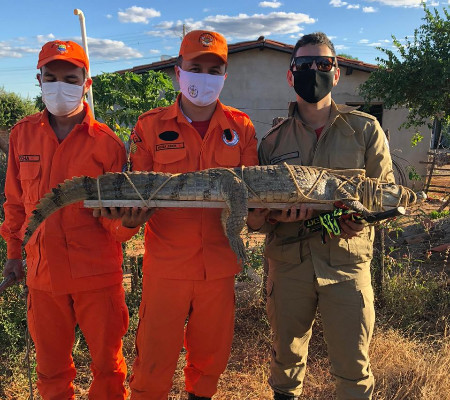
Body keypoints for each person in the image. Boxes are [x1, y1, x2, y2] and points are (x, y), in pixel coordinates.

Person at [247, 32, 394, 400]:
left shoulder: (364, 130)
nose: (313, 70)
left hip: (346, 266)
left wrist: (362, 217)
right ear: (290, 74)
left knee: (353, 366)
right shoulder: (272, 142)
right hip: (288, 267)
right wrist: (275, 216)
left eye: (323, 64)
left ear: (336, 73)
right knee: (285, 361)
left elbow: (384, 195)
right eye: (304, 64)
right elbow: (254, 217)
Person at [0, 40, 143, 400]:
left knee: (108, 369)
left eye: (70, 78)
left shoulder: (108, 144)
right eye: (51, 77)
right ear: (39, 80)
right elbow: (15, 203)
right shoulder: (22, 135)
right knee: (50, 371)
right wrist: (14, 254)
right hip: (43, 276)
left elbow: (114, 221)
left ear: (86, 83)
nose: (59, 85)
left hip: (97, 275)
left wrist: (128, 224)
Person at [122, 30, 258, 400]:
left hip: (219, 266)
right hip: (167, 267)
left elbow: (253, 197)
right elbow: (134, 194)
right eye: (196, 67)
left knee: (211, 359)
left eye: (214, 70)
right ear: (178, 71)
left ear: (225, 75)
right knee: (153, 361)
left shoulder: (241, 127)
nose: (205, 76)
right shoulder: (149, 126)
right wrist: (129, 219)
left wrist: (265, 214)